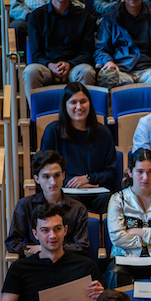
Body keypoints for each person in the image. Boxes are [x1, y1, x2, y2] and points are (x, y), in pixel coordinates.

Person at [0, 204, 103, 301]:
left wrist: (101, 298)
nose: (52, 236)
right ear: (35, 234)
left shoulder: (86, 266)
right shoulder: (20, 268)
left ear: (65, 230)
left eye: (57, 229)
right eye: (45, 230)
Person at [104, 148, 151, 288]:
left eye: (150, 172)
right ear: (130, 172)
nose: (145, 178)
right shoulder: (118, 199)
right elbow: (116, 237)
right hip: (126, 257)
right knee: (114, 274)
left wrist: (134, 232)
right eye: (140, 172)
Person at [39, 81, 118, 212]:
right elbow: (45, 170)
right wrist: (71, 183)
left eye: (83, 101)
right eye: (73, 102)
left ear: (90, 104)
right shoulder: (52, 131)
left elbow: (111, 172)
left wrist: (88, 179)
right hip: (66, 190)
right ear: (65, 105)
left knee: (114, 203)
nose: (79, 106)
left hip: (97, 191)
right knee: (70, 203)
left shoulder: (103, 132)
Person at [23, 0, 96, 100]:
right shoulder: (36, 17)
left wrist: (69, 64)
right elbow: (36, 54)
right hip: (47, 68)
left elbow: (87, 53)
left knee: (87, 71)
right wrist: (50, 65)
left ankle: (84, 116)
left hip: (74, 67)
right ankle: (35, 118)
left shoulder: (84, 18)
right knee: (30, 71)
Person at [6, 151, 90, 257]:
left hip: (67, 264)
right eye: (46, 177)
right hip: (37, 262)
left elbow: (82, 247)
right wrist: (34, 250)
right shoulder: (25, 205)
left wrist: (46, 248)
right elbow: (12, 243)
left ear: (63, 175)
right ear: (37, 179)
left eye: (57, 175)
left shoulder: (78, 208)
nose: (53, 182)